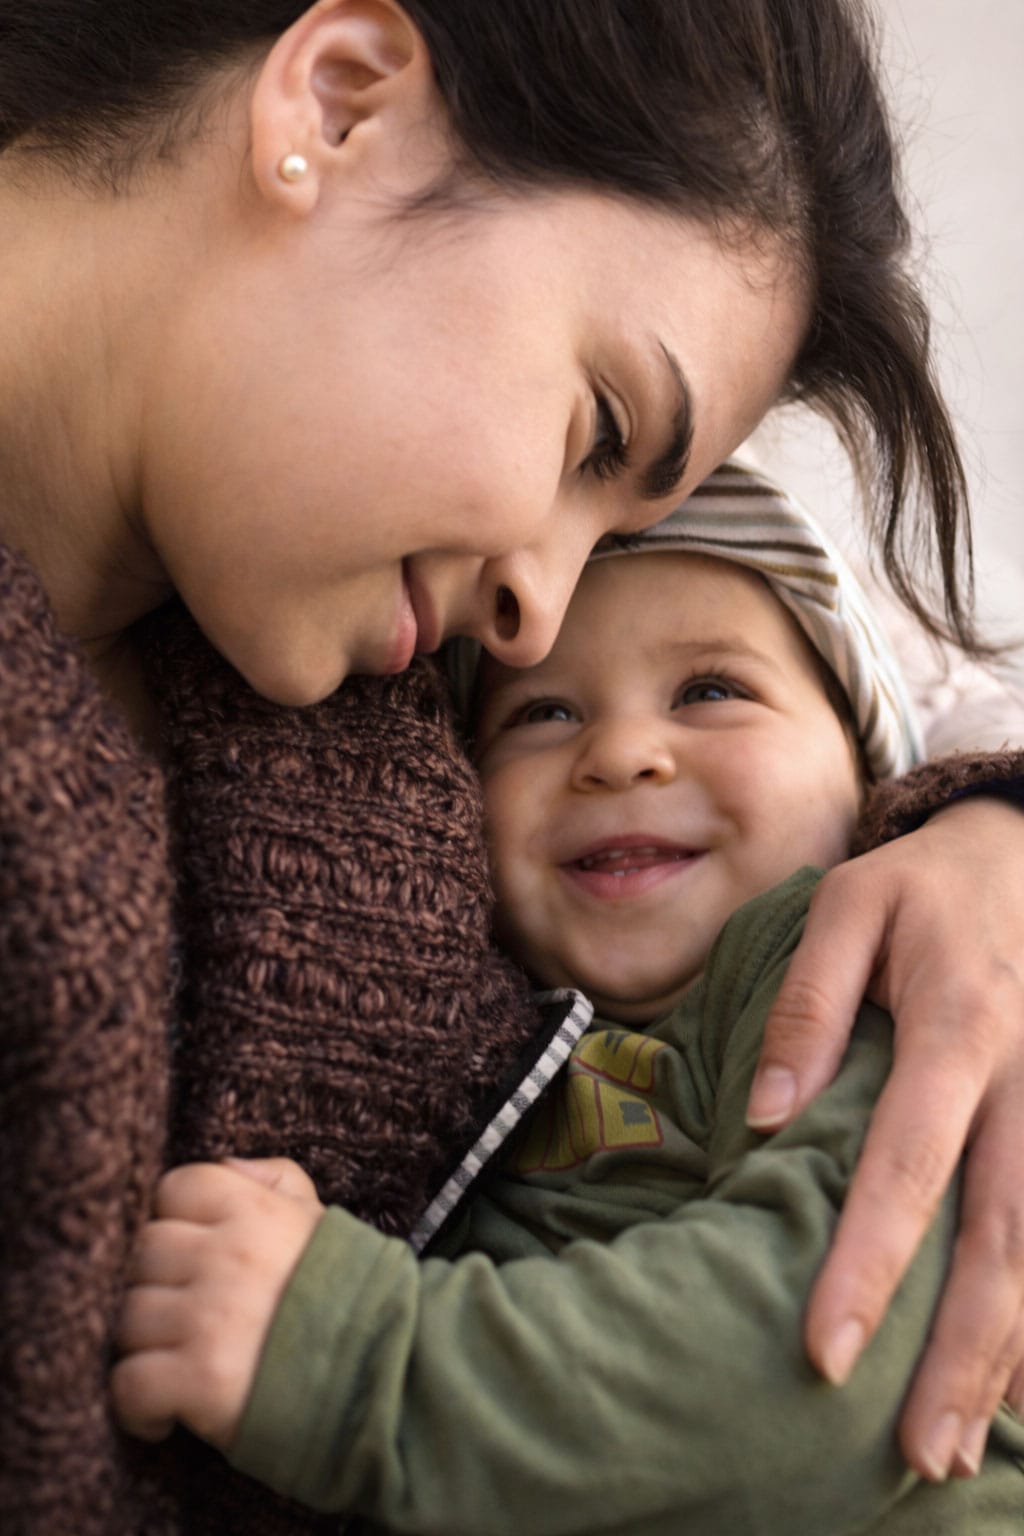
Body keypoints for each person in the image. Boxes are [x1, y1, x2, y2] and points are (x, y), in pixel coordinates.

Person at [1, 0, 1024, 1523]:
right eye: (598, 424)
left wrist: (984, 841)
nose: (539, 611)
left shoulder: (332, 583)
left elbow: (906, 680)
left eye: (619, 525)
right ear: (340, 104)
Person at [112, 489, 1024, 1533]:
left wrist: (354, 1355)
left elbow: (825, 1363)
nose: (622, 752)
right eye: (542, 713)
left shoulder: (845, 972)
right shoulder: (468, 1035)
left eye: (712, 689)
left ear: (868, 783)